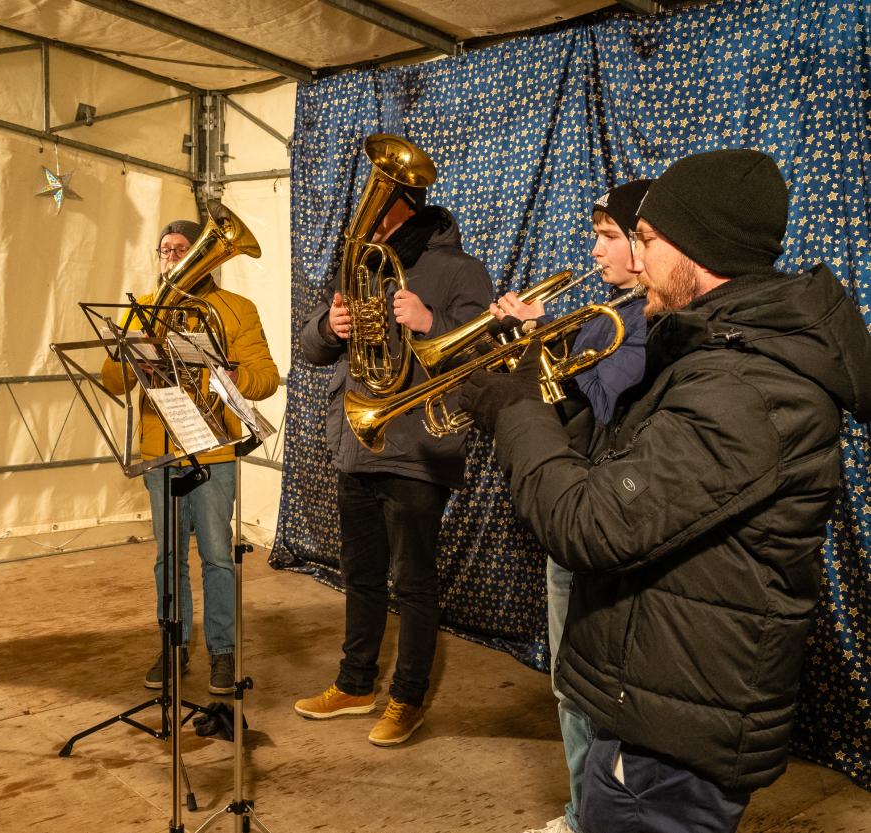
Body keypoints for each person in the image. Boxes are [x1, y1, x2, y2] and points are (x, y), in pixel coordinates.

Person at [458, 149, 871, 832]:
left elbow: (588, 522)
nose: (634, 260)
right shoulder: (721, 354)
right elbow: (628, 470)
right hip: (654, 696)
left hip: (671, 732)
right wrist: (536, 393)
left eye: (646, 241)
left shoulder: (744, 387)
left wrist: (514, 410)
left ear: (701, 248)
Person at [294, 183, 492, 746]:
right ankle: (355, 685)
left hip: (419, 449)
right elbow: (311, 350)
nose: (371, 219)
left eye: (382, 207)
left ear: (410, 206)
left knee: (413, 583)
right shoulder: (361, 267)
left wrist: (432, 324)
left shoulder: (461, 269)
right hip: (359, 442)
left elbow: (487, 352)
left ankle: (407, 698)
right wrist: (328, 328)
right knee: (359, 576)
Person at [493, 180, 650, 833]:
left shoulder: (642, 322)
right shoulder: (602, 314)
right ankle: (582, 810)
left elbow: (611, 401)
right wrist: (526, 351)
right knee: (568, 682)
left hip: (607, 519)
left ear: (647, 245)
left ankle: (593, 817)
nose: (596, 249)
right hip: (575, 512)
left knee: (594, 687)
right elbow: (566, 412)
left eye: (609, 236)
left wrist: (545, 341)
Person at [101, 219, 279, 696]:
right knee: (168, 557)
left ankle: (222, 653)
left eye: (184, 249)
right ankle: (173, 644)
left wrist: (230, 373)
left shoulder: (236, 310)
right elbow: (112, 382)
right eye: (166, 249)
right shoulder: (142, 310)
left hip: (215, 448)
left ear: (206, 255)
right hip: (161, 452)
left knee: (218, 556)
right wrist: (130, 355)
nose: (173, 257)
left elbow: (266, 378)